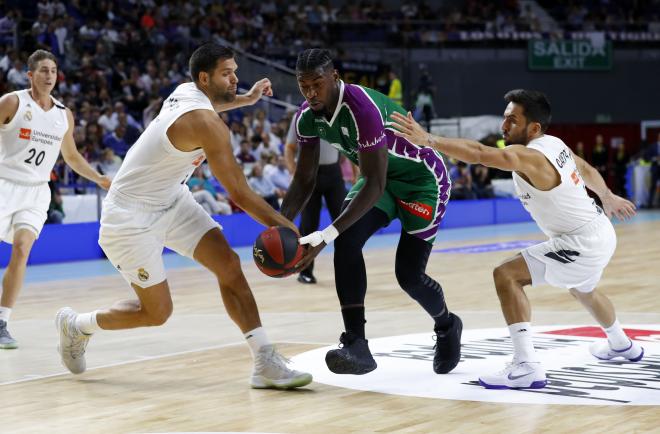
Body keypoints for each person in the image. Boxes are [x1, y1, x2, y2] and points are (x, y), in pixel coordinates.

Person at [54, 43, 312, 390]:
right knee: (157, 313)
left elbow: (214, 101)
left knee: (229, 265)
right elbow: (239, 194)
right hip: (129, 216)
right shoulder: (206, 123)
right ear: (205, 77)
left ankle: (264, 360)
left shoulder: (186, 92)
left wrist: (246, 100)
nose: (235, 77)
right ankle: (77, 325)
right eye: (227, 73)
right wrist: (290, 229)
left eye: (235, 71)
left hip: (172, 199)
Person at [391, 89, 642, 390]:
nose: (503, 126)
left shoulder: (529, 155)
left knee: (506, 275)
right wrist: (607, 195)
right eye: (505, 118)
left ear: (533, 128)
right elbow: (585, 168)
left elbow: (482, 155)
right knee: (583, 290)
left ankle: (526, 366)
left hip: (580, 242)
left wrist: (430, 140)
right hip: (599, 230)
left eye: (512, 120)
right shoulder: (555, 143)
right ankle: (622, 344)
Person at [281, 48, 461, 375]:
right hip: (379, 180)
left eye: (317, 84)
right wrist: (280, 225)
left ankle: (447, 324)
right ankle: (357, 345)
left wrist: (324, 235)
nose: (310, 92)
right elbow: (305, 177)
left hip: (422, 182)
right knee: (347, 240)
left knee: (409, 277)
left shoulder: (362, 108)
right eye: (302, 85)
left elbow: (374, 184)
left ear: (335, 78)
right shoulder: (306, 116)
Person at [0, 49, 111, 349]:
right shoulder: (12, 102)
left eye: (53, 70)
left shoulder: (63, 115)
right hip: (3, 184)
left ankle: (2, 322)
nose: (49, 76)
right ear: (30, 75)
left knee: (22, 250)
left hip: (36, 191)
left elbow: (72, 156)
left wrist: (99, 178)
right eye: (43, 71)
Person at [284, 117, 346, 284]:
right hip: (308, 173)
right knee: (308, 225)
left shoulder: (337, 115)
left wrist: (356, 173)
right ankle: (305, 271)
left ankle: (348, 270)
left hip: (334, 174)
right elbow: (289, 147)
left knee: (345, 222)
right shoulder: (300, 116)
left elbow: (348, 146)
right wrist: (292, 172)